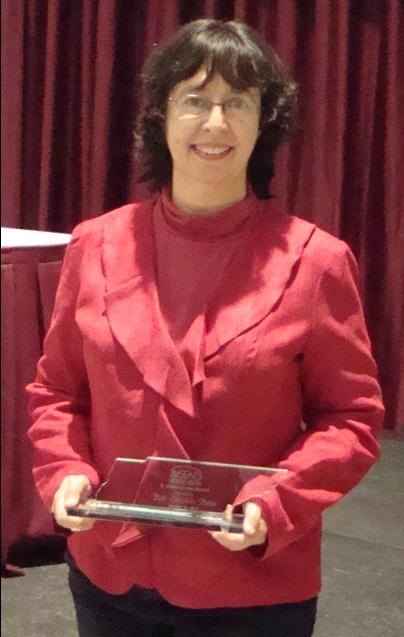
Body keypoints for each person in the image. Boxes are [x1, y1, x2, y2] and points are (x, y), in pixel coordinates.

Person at [26, 18, 384, 637]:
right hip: (110, 573)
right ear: (161, 115)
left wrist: (276, 502)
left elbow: (350, 418)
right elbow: (56, 392)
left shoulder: (317, 261)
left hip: (249, 582)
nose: (215, 122)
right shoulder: (95, 245)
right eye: (194, 99)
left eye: (236, 102)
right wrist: (66, 471)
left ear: (264, 122)